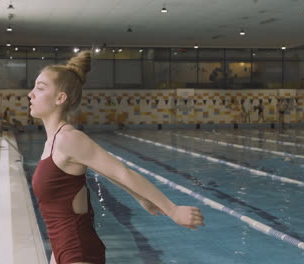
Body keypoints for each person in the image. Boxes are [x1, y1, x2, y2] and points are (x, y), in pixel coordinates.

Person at [28, 50, 205, 264]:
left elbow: (122, 171)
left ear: (60, 98)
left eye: (40, 88)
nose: (31, 94)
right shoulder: (53, 142)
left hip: (78, 252)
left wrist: (173, 210)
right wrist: (140, 197)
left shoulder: (69, 139)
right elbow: (105, 171)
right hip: (64, 249)